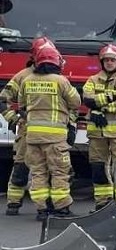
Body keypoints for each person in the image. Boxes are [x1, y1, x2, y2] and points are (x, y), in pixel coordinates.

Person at [21, 44, 81, 221]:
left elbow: (22, 104)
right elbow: (76, 102)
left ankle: (42, 209)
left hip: (32, 137)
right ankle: (61, 208)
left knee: (38, 173)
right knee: (59, 172)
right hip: (55, 138)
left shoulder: (27, 80)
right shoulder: (61, 81)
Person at [0, 37, 53, 216]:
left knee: (48, 168)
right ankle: (13, 203)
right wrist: (13, 118)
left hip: (49, 132)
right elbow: (3, 98)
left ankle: (46, 204)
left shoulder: (54, 76)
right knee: (21, 166)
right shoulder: (22, 76)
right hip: (26, 130)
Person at [82, 44, 116, 212]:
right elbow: (87, 99)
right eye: (106, 60)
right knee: (98, 168)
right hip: (96, 133)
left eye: (113, 60)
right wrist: (107, 101)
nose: (109, 63)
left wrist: (99, 108)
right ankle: (102, 203)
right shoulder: (92, 80)